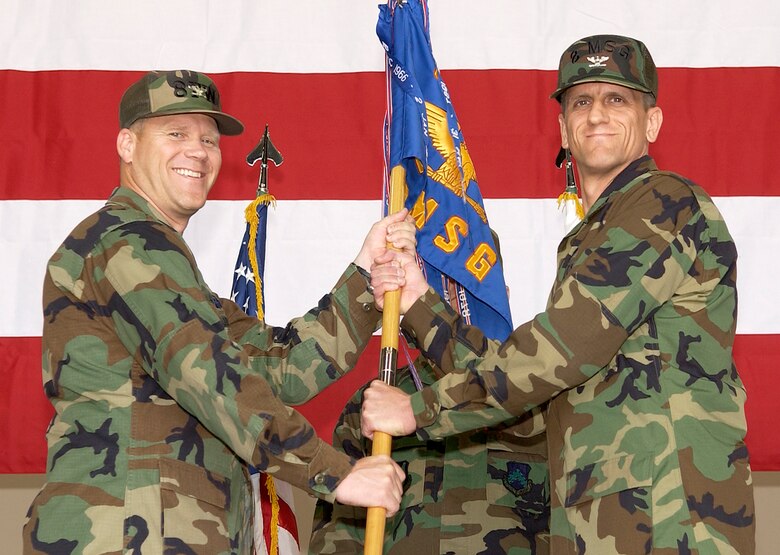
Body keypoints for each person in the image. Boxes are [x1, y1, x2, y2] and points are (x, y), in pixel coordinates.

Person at [361, 35, 756, 554]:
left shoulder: (665, 203)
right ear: (564, 129)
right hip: (599, 525)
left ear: (653, 122)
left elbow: (563, 349)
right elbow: (534, 404)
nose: (597, 115)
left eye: (617, 99)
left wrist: (420, 409)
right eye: (581, 102)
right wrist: (417, 303)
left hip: (672, 518)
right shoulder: (590, 239)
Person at [22, 69, 413, 554]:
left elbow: (282, 369)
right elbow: (207, 372)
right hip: (128, 534)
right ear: (126, 144)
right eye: (176, 134)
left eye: (209, 139)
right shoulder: (125, 243)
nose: (198, 151)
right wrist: (334, 473)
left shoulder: (165, 268)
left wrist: (364, 276)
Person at [311, 232, 551, 553]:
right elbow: (340, 530)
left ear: (503, 297)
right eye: (443, 289)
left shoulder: (543, 391)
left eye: (475, 289)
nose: (456, 303)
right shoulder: (374, 405)